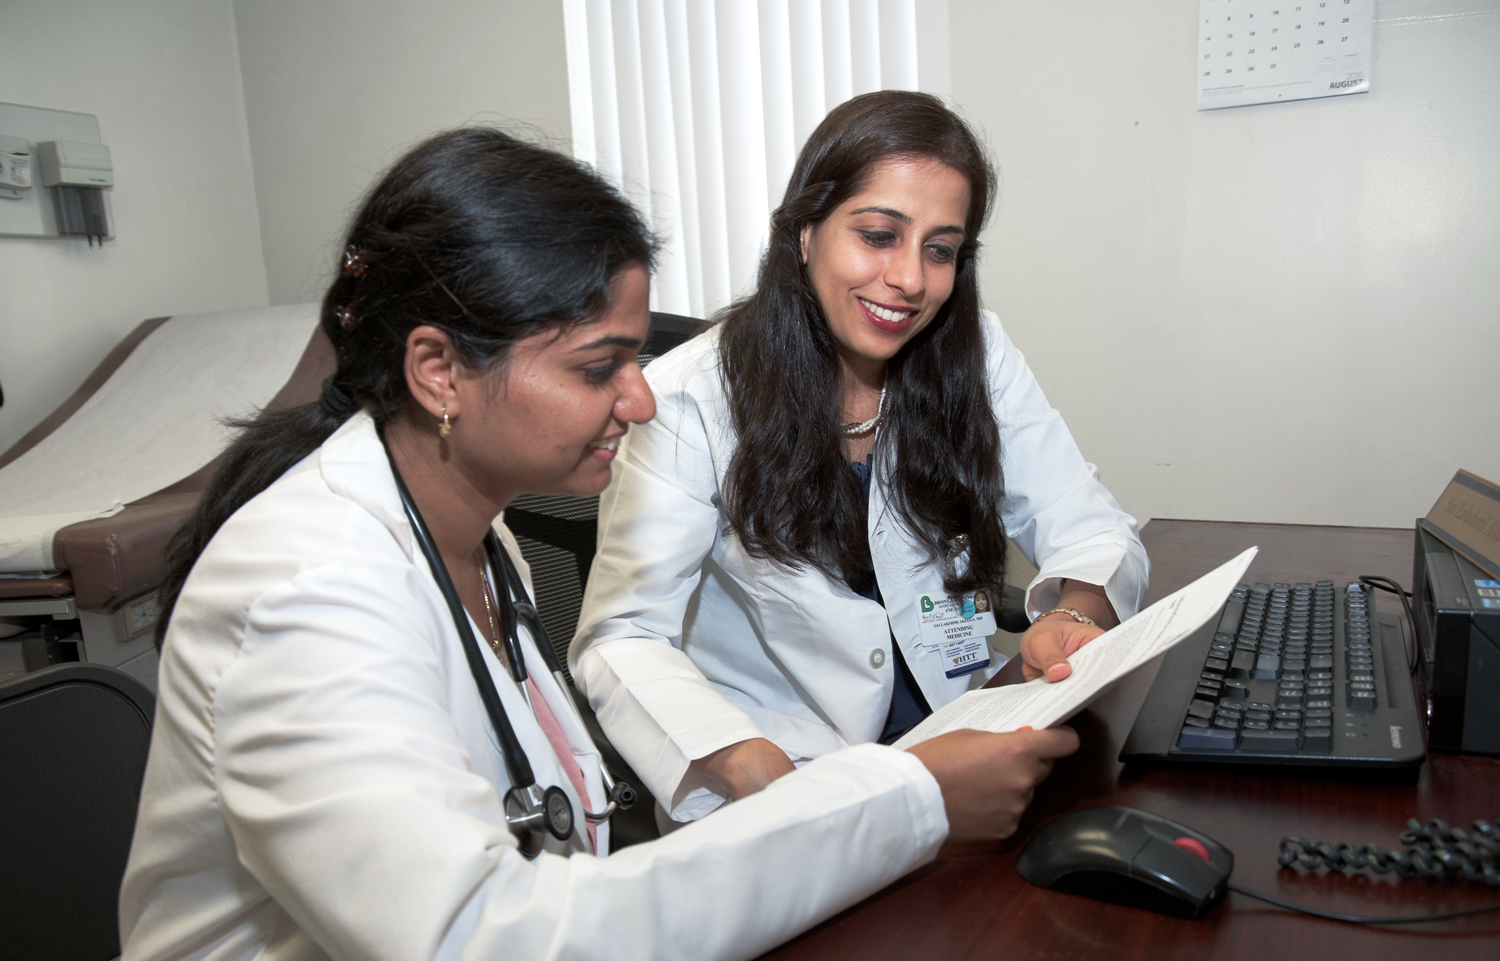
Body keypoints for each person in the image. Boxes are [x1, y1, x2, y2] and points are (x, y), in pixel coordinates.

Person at [118, 127, 1079, 961]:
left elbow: (557, 852)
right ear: (439, 371)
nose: (644, 398)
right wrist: (905, 798)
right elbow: (490, 936)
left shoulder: (477, 531)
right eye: (599, 366)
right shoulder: (307, 590)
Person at [571, 91, 1148, 824]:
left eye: (939, 249)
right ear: (805, 232)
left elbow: (1091, 526)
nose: (910, 279)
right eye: (879, 235)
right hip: (790, 787)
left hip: (963, 747)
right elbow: (621, 635)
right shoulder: (687, 401)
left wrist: (1075, 611)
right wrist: (747, 763)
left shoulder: (976, 352)